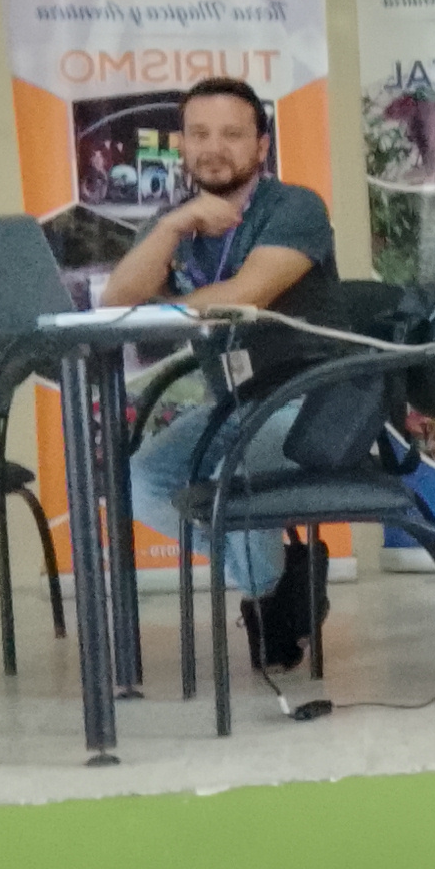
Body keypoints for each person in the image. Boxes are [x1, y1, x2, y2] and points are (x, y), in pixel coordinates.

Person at [102, 75, 342, 670]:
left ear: (261, 146)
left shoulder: (295, 207)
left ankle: (267, 600)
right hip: (235, 405)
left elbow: (245, 294)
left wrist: (163, 308)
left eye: (232, 135)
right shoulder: (177, 221)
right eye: (199, 134)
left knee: (231, 476)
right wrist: (168, 229)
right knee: (139, 482)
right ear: (181, 145)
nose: (214, 148)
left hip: (311, 403)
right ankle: (277, 586)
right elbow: (116, 302)